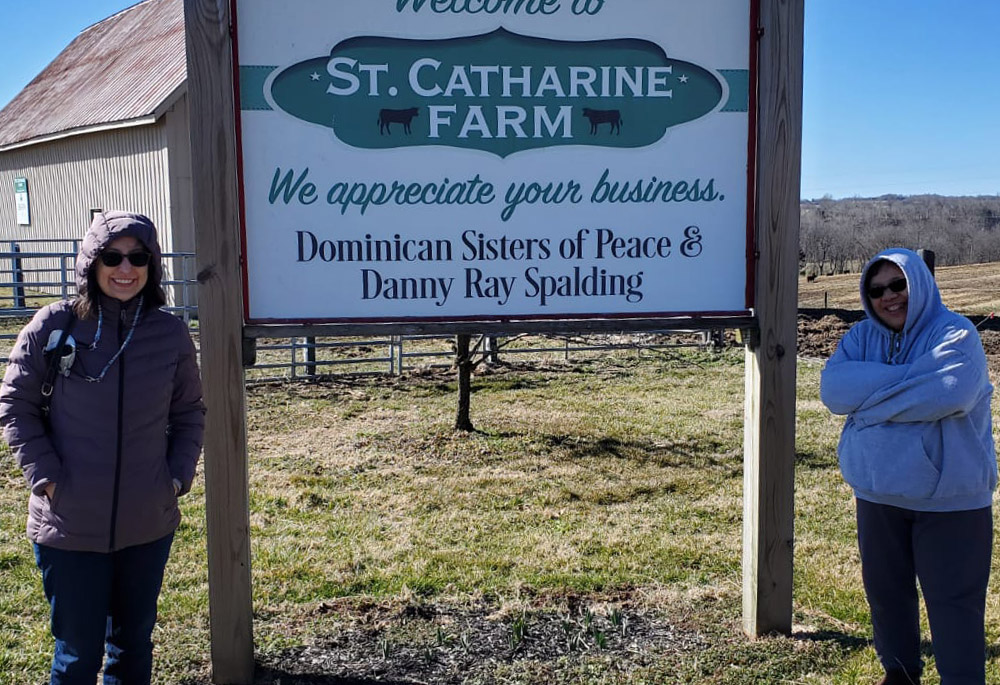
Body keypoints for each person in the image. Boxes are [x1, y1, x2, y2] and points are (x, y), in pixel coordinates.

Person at [0, 211, 205, 684]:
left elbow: (189, 411)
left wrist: (174, 477)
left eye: (138, 257)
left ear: (152, 264)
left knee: (133, 648)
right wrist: (48, 480)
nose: (125, 268)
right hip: (69, 524)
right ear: (91, 263)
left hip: (147, 522)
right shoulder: (55, 325)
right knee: (76, 656)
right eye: (112, 256)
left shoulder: (168, 333)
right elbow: (16, 408)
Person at [820, 248, 996, 685]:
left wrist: (869, 402)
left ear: (919, 285)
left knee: (953, 603)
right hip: (877, 493)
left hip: (950, 499)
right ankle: (899, 675)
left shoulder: (956, 335)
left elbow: (950, 392)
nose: (889, 297)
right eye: (876, 289)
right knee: (886, 595)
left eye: (898, 285)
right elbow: (834, 391)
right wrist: (913, 381)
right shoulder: (860, 338)